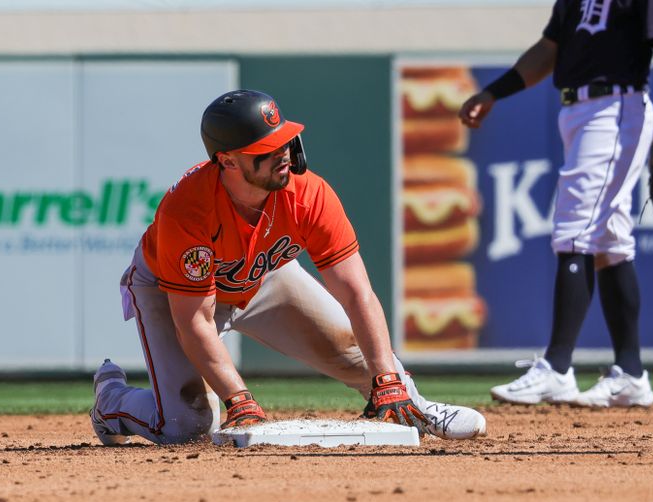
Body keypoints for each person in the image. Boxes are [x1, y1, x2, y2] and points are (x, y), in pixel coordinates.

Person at [89, 89, 486, 445]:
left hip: (262, 277)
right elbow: (195, 320)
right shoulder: (187, 211)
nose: (283, 152)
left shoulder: (309, 193)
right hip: (171, 292)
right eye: (266, 147)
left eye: (284, 139)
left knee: (355, 354)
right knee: (185, 424)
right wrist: (239, 399)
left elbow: (356, 292)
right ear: (227, 160)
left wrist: (387, 380)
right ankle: (112, 402)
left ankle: (414, 407)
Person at [459, 0, 653, 407]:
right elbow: (548, 50)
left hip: (616, 105)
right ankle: (632, 375)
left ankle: (557, 367)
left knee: (575, 228)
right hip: (579, 111)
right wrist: (494, 92)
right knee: (608, 240)